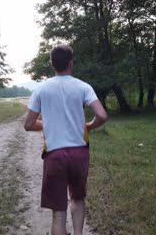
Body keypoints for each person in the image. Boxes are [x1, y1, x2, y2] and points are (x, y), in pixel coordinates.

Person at [24, 44, 108, 235]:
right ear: (71, 63)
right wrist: (89, 126)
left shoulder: (41, 89)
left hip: (54, 156)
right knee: (77, 199)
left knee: (58, 212)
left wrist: (49, 124)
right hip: (79, 153)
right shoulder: (83, 86)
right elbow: (102, 115)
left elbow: (28, 124)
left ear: (52, 64)